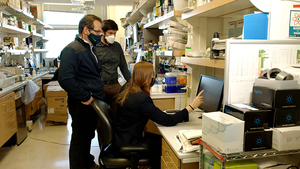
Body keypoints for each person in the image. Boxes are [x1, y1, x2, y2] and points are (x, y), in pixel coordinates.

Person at [112, 61, 204, 168]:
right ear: (146, 77)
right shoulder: (141, 98)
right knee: (164, 146)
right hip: (129, 143)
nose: (153, 77)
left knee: (159, 140)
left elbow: (134, 113)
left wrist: (153, 111)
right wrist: (192, 106)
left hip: (121, 138)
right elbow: (168, 121)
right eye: (152, 74)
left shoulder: (127, 88)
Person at [58, 14, 104, 169]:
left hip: (91, 103)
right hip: (82, 103)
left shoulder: (89, 48)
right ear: (86, 30)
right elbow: (65, 79)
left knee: (87, 136)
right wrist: (85, 96)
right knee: (79, 140)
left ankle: (87, 162)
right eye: (97, 32)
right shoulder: (72, 50)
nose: (100, 35)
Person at [94, 19, 131, 114]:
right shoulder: (95, 47)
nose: (113, 36)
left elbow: (123, 67)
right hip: (100, 86)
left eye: (115, 33)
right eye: (110, 33)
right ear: (102, 32)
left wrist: (132, 83)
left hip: (115, 85)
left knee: (118, 114)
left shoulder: (117, 46)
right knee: (101, 116)